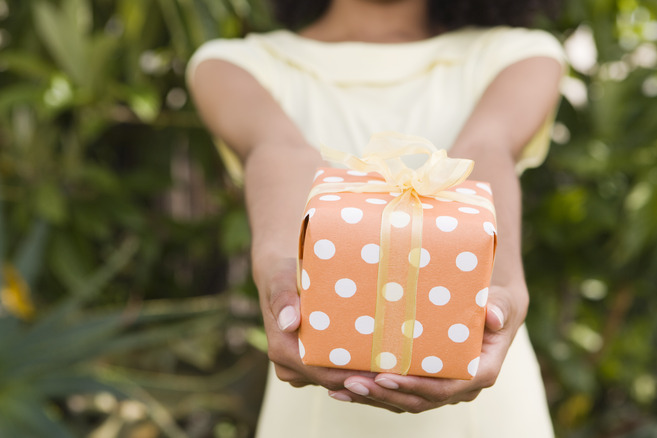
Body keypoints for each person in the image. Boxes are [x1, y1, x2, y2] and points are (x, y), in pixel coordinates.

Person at [187, 0, 566, 436]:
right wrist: (278, 268)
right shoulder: (232, 65)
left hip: (484, 397)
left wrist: (500, 286)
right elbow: (280, 151)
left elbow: (484, 149)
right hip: (318, 413)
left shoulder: (519, 54)